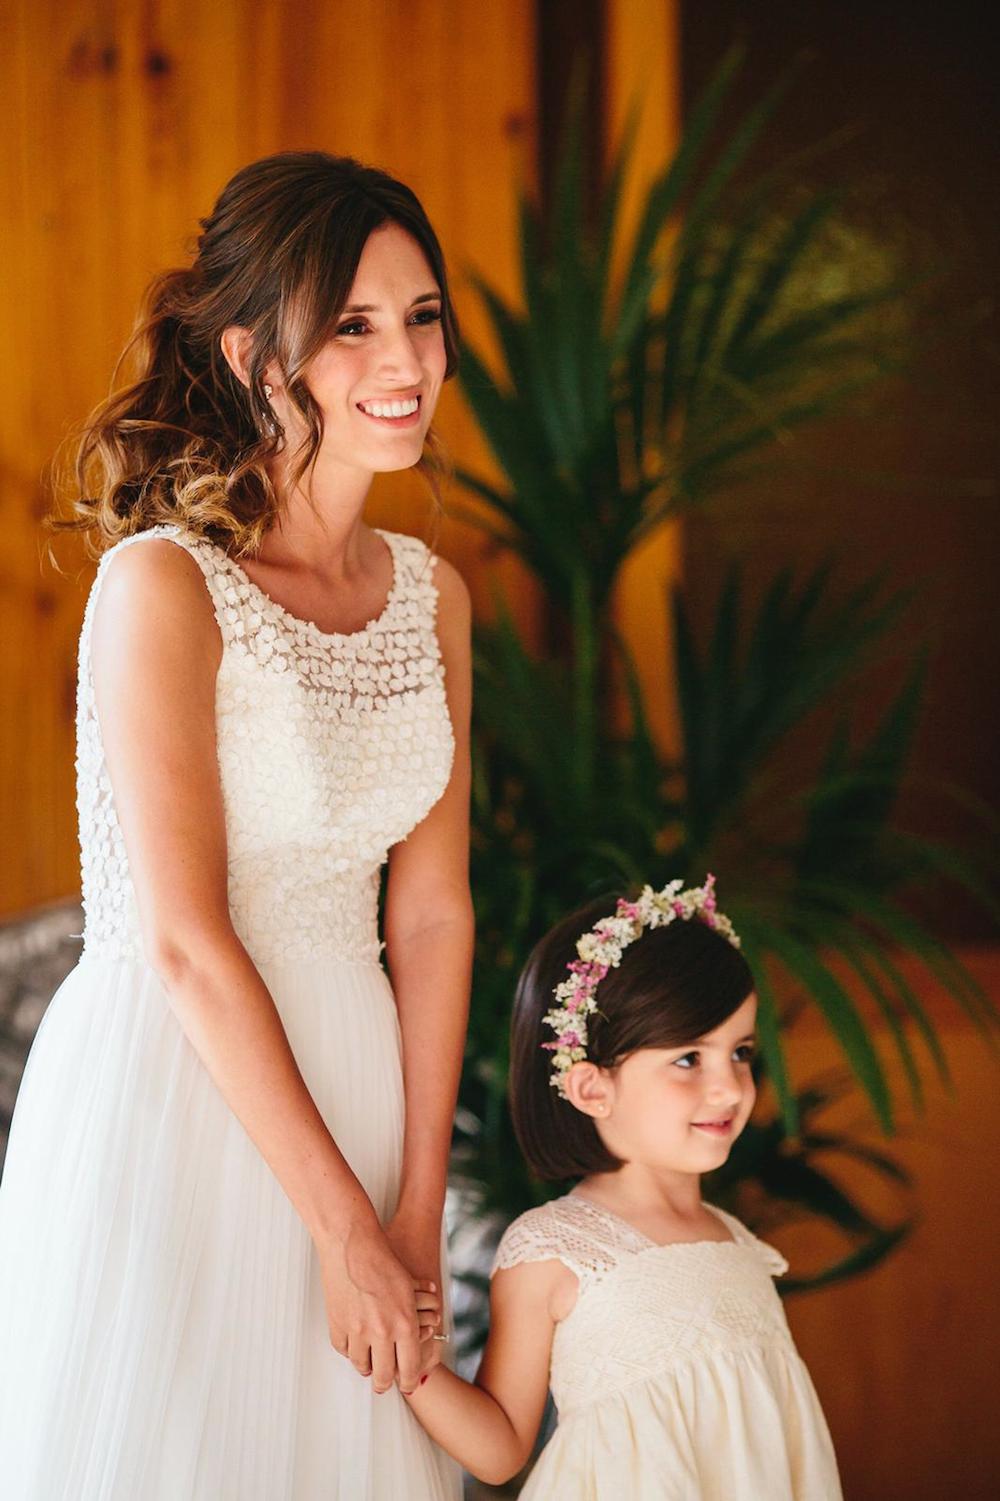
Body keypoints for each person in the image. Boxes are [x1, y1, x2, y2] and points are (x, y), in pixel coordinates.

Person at [0, 151, 471, 1500]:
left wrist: (413, 1206)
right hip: (178, 1087)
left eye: (423, 315)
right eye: (355, 325)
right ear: (257, 354)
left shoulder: (434, 599)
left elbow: (433, 912)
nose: (407, 360)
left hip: (366, 1083)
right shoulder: (163, 587)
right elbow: (188, 939)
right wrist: (339, 1227)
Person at [404, 876, 844, 1499]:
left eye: (740, 1051)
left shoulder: (737, 1240)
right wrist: (416, 1368)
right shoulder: (554, 1248)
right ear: (591, 1088)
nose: (730, 1088)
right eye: (689, 1058)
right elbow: (501, 1449)